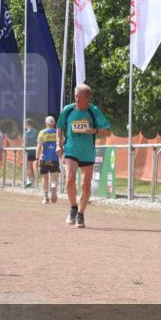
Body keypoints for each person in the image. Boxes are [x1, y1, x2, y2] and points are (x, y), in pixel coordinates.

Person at [57, 84, 111, 228]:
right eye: (76, 96)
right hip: (71, 150)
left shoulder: (94, 111)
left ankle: (80, 214)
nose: (77, 99)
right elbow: (60, 126)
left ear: (88, 98)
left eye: (80, 97)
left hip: (87, 152)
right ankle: (73, 208)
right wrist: (58, 144)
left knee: (86, 185)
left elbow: (107, 132)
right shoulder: (68, 109)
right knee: (70, 179)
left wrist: (94, 130)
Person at [36, 116, 60, 204]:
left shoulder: (42, 132)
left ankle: (46, 197)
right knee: (54, 178)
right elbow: (62, 144)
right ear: (54, 123)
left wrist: (37, 158)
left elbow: (39, 147)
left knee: (45, 178)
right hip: (55, 159)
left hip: (44, 159)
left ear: (46, 123)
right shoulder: (58, 132)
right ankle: (53, 189)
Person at [23, 118, 38, 187]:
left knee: (29, 167)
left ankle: (32, 181)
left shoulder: (26, 133)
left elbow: (25, 143)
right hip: (35, 151)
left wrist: (22, 146)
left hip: (28, 152)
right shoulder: (36, 131)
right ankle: (33, 181)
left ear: (27, 124)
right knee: (31, 167)